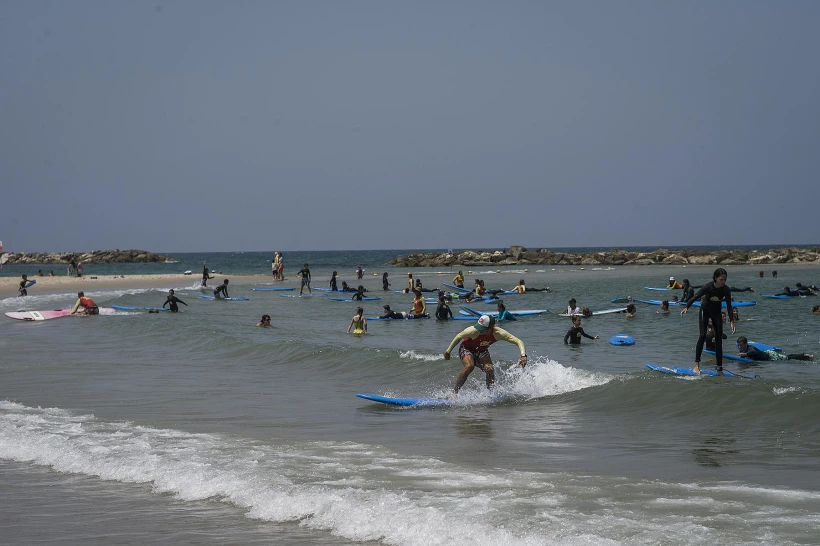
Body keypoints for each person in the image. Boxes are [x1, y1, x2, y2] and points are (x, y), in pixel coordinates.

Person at [443, 315, 527, 394]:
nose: (479, 330)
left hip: (482, 351)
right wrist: (448, 351)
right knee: (469, 366)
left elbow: (518, 341)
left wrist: (523, 356)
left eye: (482, 329)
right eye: (479, 327)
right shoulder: (472, 330)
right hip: (466, 349)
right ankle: (454, 393)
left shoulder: (499, 333)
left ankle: (491, 394)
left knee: (490, 369)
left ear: (491, 328)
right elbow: (458, 337)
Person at [681, 267, 736, 375]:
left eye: (725, 279)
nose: (723, 282)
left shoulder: (726, 289)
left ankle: (719, 368)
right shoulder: (708, 287)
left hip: (716, 313)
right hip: (705, 311)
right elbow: (696, 296)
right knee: (702, 336)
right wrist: (687, 307)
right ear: (715, 278)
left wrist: (731, 321)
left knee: (719, 339)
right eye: (721, 279)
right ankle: (696, 365)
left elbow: (729, 305)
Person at [736, 336, 813, 361]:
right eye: (738, 345)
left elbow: (753, 352)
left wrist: (745, 354)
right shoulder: (743, 349)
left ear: (746, 344)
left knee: (788, 358)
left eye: (741, 345)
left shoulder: (750, 348)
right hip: (766, 355)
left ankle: (806, 356)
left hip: (771, 356)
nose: (739, 347)